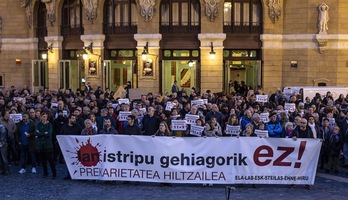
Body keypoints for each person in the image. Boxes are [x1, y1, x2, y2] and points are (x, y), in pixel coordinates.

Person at [35, 112, 56, 178]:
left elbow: (49, 134)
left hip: (48, 145)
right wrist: (44, 133)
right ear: (41, 117)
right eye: (43, 116)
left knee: (50, 160)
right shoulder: (38, 125)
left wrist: (40, 133)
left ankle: (54, 173)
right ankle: (45, 173)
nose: (44, 118)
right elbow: (36, 133)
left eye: (45, 116)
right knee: (43, 160)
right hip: (40, 145)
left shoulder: (49, 125)